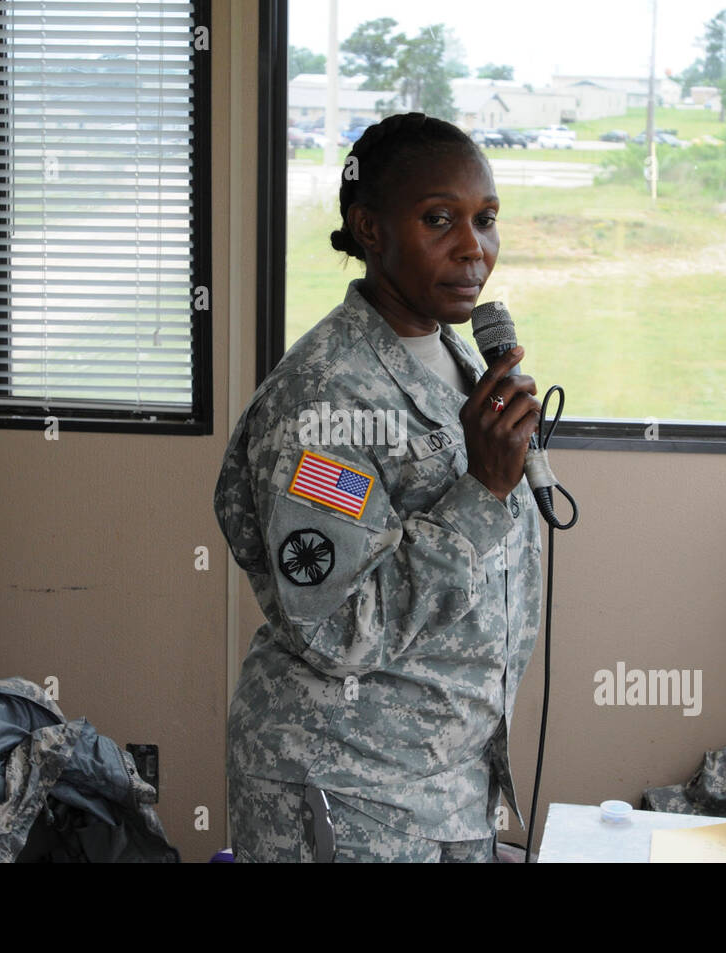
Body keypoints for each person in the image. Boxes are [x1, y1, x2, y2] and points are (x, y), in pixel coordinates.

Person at [213, 112, 544, 862]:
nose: (474, 248)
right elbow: (337, 623)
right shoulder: (324, 399)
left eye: (486, 220)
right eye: (439, 220)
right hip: (347, 787)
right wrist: (481, 492)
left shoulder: (452, 358)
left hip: (443, 783)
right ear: (369, 228)